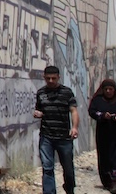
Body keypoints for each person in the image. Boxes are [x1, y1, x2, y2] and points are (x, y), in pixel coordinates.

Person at [34, 65, 79, 194]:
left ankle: (69, 188)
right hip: (46, 136)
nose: (51, 81)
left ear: (58, 77)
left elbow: (74, 111)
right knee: (47, 168)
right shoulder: (41, 93)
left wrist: (75, 128)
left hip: (64, 137)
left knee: (68, 169)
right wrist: (38, 113)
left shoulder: (67, 92)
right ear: (44, 78)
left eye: (54, 78)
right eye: (48, 78)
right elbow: (39, 109)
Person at [88, 78, 116, 192]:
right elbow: (92, 111)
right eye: (106, 89)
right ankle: (109, 181)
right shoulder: (97, 100)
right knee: (105, 157)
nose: (108, 91)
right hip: (104, 134)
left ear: (114, 89)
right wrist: (103, 115)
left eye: (111, 89)